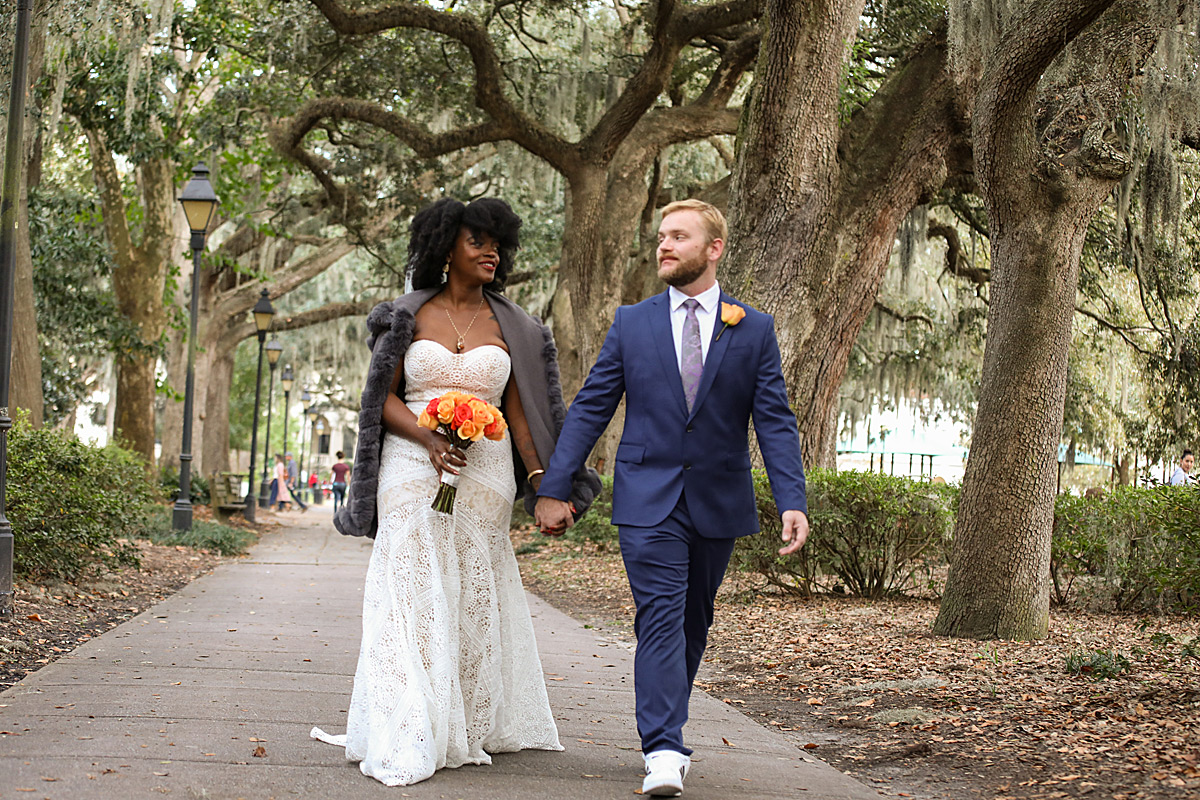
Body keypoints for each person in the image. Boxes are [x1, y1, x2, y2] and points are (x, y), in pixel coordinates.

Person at [312, 197, 600, 786]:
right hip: (410, 456)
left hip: (485, 467)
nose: (492, 252)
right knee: (410, 576)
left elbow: (522, 415)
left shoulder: (514, 327)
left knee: (470, 586)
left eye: (498, 244)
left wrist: (544, 480)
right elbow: (381, 398)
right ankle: (411, 720)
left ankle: (462, 716)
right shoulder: (406, 314)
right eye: (478, 241)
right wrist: (426, 437)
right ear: (447, 247)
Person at [535, 199, 809, 798]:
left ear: (713, 249)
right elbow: (591, 407)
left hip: (717, 499)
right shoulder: (632, 322)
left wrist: (793, 498)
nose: (664, 245)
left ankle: (666, 729)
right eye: (661, 236)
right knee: (660, 613)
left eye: (679, 237)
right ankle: (663, 747)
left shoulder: (753, 329)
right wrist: (555, 485)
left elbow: (775, 420)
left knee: (692, 620)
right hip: (646, 497)